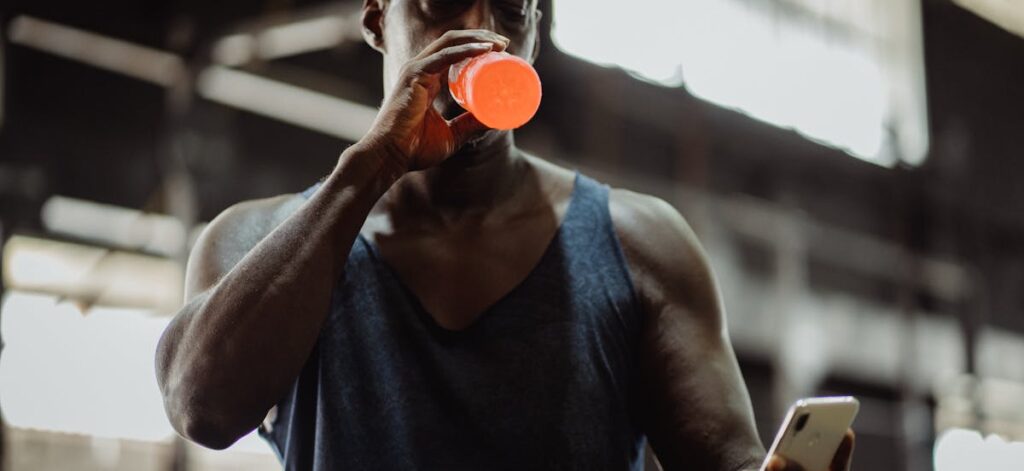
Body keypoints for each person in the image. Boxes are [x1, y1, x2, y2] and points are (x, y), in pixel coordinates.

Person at [155, 1, 855, 469]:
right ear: (376, 16)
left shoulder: (640, 246)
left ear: (536, 33)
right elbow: (201, 406)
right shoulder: (258, 238)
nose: (485, 29)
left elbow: (729, 460)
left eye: (513, 7)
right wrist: (369, 170)